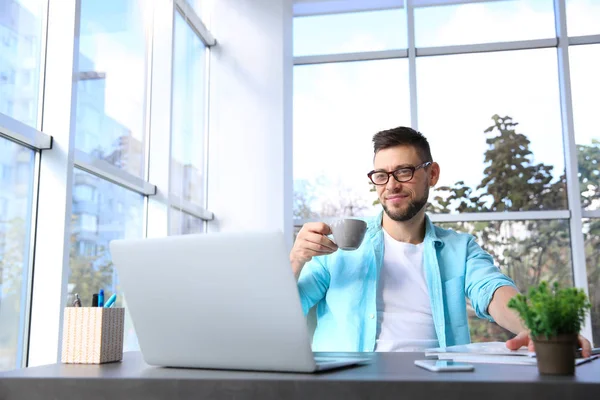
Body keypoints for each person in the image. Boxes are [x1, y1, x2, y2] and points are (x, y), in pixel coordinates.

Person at [291, 126, 592, 355]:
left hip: (436, 384)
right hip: (350, 386)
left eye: (404, 171)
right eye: (381, 176)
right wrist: (296, 261)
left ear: (432, 174)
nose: (391, 185)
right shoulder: (334, 246)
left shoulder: (460, 249)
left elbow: (493, 291)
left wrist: (542, 329)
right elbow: (287, 311)